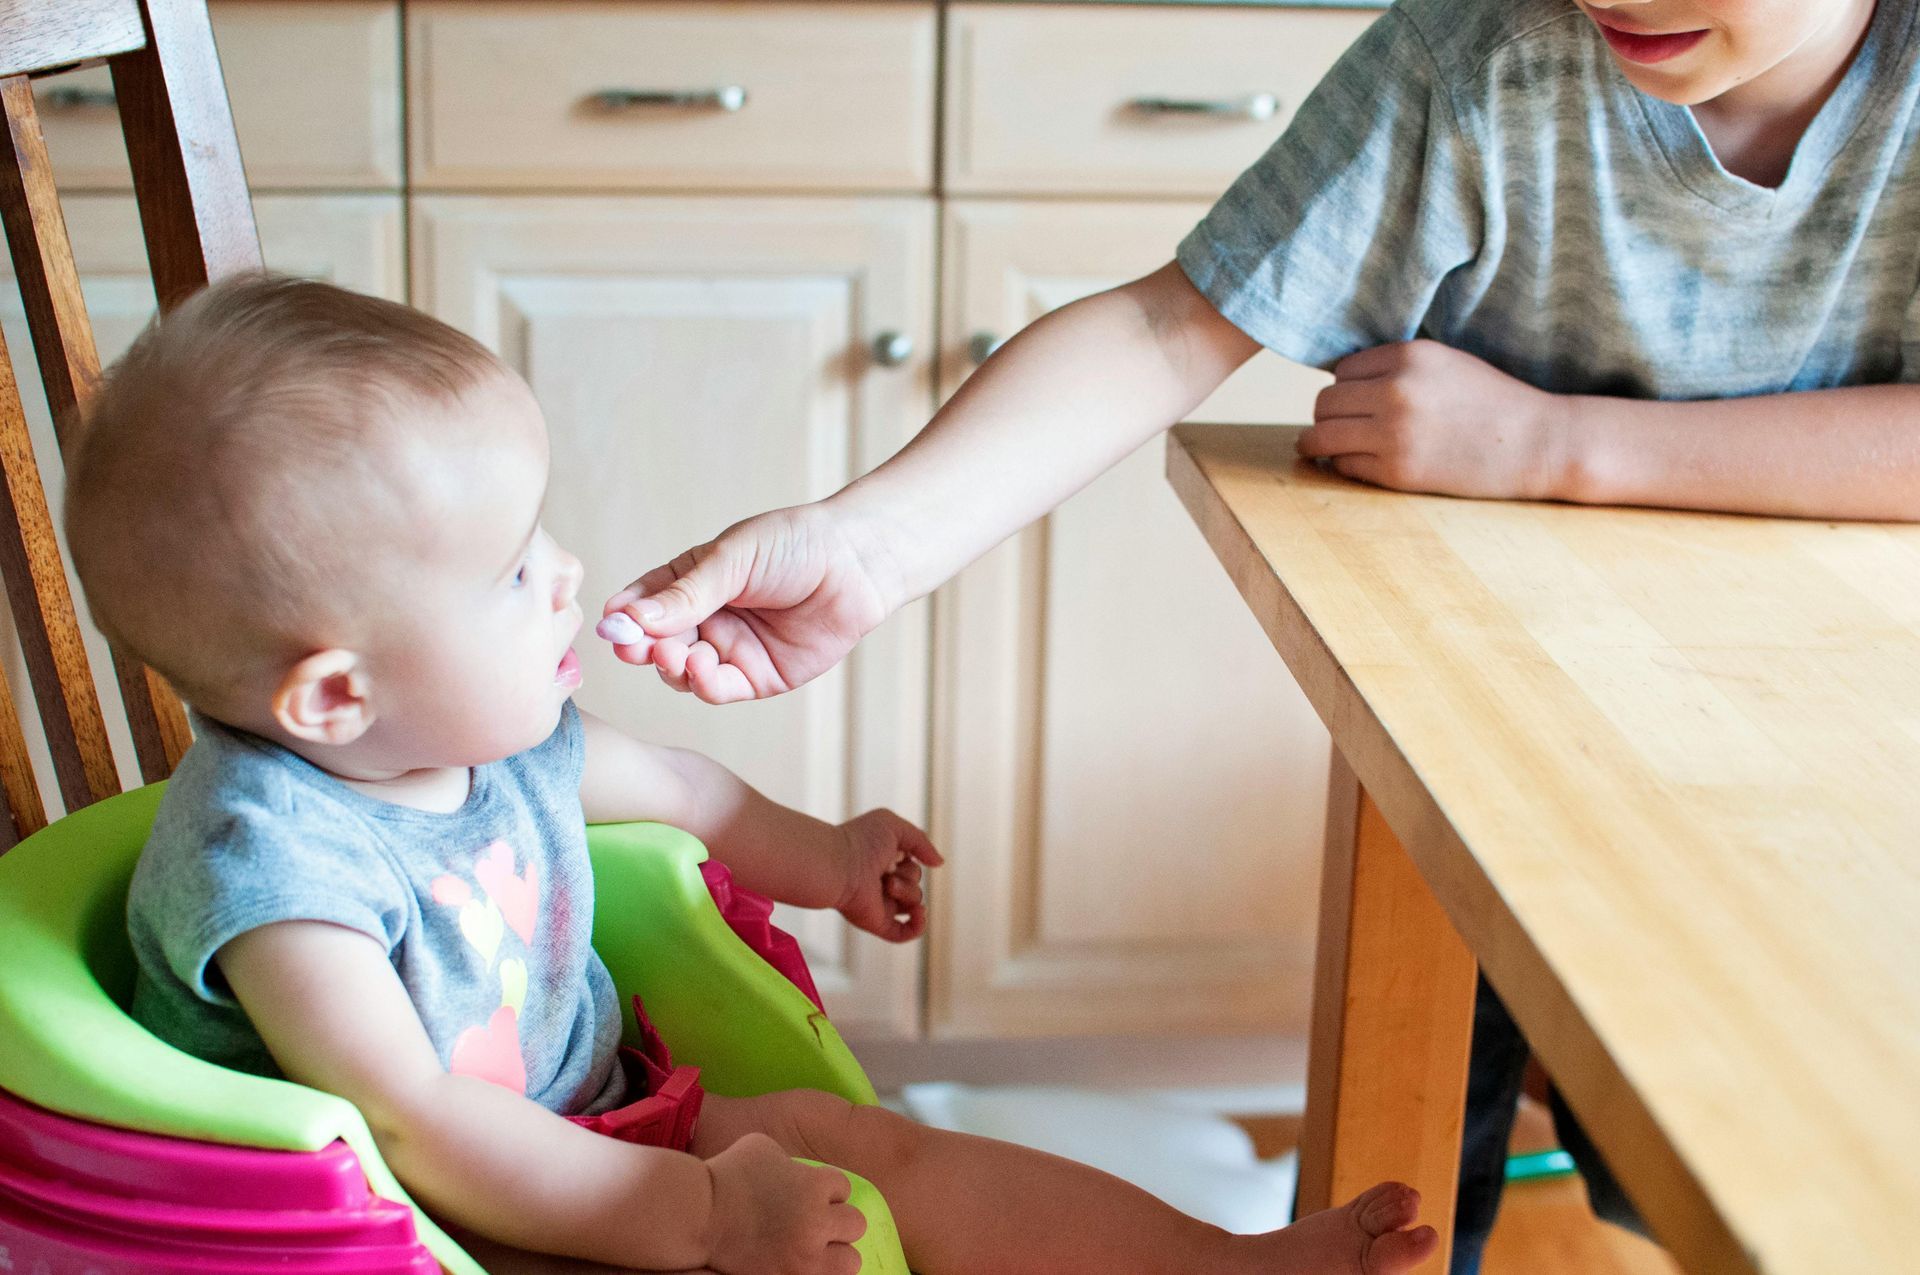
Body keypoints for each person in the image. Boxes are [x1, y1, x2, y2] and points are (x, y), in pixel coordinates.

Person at [597, 1, 1920, 1267]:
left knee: (1759, 1153)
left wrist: (1553, 443)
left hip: (1837, 752)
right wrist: (870, 547)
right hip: (1496, 727)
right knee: (1420, 1136)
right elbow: (1172, 324)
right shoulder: (1480, 56)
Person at [72, 275, 1437, 1275]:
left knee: (869, 1145)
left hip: (596, 1123)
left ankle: (1220, 1265)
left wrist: (830, 858)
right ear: (334, 695)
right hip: (408, 1226)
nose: (565, 576)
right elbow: (413, 1127)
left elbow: (687, 791)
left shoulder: (483, 739)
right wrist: (706, 1217)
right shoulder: (283, 878)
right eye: (508, 575)